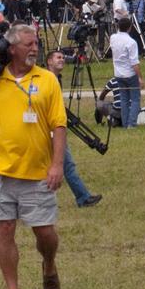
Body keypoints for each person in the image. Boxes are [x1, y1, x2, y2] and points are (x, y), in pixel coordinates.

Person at [0, 24, 67, 289]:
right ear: (11, 49)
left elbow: (59, 126)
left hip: (38, 173)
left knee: (44, 234)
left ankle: (48, 264)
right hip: (0, 171)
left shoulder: (46, 80)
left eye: (36, 44)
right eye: (28, 44)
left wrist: (57, 165)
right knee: (5, 229)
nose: (34, 48)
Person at [43, 50, 102, 208]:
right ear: (49, 61)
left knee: (64, 164)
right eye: (58, 57)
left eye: (63, 57)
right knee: (66, 164)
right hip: (49, 129)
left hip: (53, 128)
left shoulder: (55, 78)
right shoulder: (46, 79)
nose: (62, 60)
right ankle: (83, 198)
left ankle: (82, 197)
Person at [109, 18, 142, 129]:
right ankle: (131, 123)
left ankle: (124, 123)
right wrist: (140, 78)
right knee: (135, 99)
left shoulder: (113, 38)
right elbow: (134, 62)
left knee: (124, 99)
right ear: (130, 27)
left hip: (118, 73)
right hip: (130, 73)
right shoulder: (131, 42)